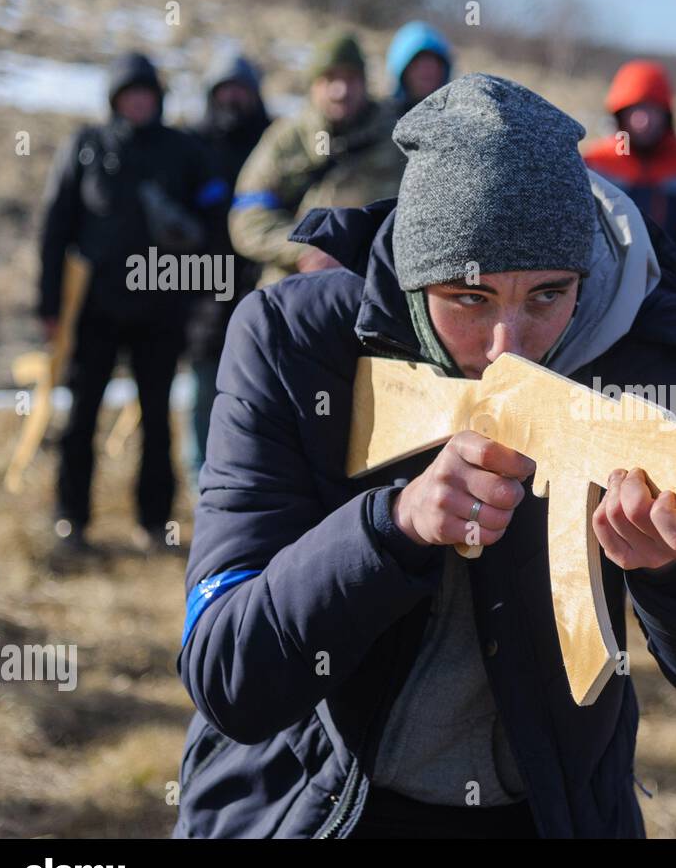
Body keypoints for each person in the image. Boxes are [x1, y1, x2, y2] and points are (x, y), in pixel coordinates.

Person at [173, 74, 676, 839]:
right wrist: (390, 529)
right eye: (469, 299)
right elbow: (227, 673)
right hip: (311, 806)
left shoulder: (662, 356)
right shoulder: (294, 342)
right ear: (413, 279)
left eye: (547, 295)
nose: (510, 349)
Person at [38, 51, 211, 557]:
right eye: (129, 93)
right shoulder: (86, 147)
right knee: (81, 417)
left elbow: (214, 212)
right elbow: (55, 227)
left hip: (162, 312)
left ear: (158, 98)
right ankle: (71, 521)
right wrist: (48, 303)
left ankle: (155, 525)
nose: (139, 101)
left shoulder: (182, 150)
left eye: (147, 93)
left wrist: (192, 238)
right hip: (94, 312)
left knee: (157, 418)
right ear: (114, 99)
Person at [229, 30, 403, 286]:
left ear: (365, 83)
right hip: (293, 289)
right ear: (313, 84)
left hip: (376, 293)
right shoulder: (285, 139)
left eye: (351, 79)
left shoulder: (396, 140)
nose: (340, 90)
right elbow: (247, 217)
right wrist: (303, 250)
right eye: (330, 78)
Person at [183, 53, 270, 492]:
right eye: (224, 89)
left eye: (242, 88)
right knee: (202, 389)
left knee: (259, 391)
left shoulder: (274, 143)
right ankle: (201, 483)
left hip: (263, 287)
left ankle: (251, 482)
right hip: (203, 288)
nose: (233, 97)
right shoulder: (192, 145)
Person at [582, 59, 676, 261]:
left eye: (651, 109)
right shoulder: (595, 163)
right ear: (619, 114)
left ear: (666, 114)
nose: (643, 121)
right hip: (608, 276)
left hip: (675, 279)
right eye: (635, 110)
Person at [385, 19, 452, 115]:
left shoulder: (459, 117)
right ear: (402, 70)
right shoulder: (379, 121)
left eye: (434, 62)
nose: (427, 70)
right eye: (417, 62)